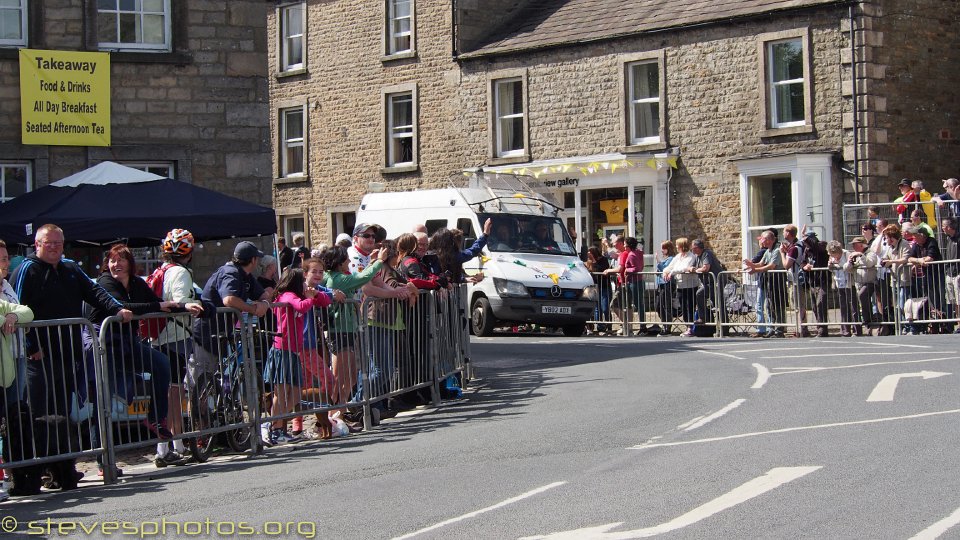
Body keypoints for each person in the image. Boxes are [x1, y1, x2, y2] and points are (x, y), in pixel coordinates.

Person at [11, 224, 133, 487]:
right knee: (39, 414)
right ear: (37, 244)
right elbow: (17, 308)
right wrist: (32, 346)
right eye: (48, 243)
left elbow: (95, 292)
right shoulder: (27, 270)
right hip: (39, 357)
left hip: (67, 351)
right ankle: (37, 470)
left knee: (62, 414)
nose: (54, 247)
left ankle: (63, 469)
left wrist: (118, 308)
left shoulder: (69, 268)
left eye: (58, 242)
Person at [90, 244, 199, 469]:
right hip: (104, 346)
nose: (116, 264)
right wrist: (157, 304)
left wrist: (187, 305)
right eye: (112, 260)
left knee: (160, 363)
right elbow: (122, 306)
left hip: (127, 344)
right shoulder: (104, 283)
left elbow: (160, 305)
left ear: (130, 264)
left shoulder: (137, 283)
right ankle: (104, 462)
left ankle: (154, 417)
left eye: (121, 260)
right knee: (102, 402)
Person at [191, 241, 272, 409]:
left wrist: (264, 303)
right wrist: (252, 308)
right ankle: (200, 427)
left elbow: (265, 293)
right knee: (202, 383)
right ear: (253, 260)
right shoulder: (230, 273)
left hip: (224, 331)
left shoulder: (246, 276)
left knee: (221, 376)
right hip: (208, 333)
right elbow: (229, 299)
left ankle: (226, 418)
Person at [261, 267, 333, 445]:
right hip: (282, 349)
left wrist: (315, 294)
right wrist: (309, 298)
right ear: (295, 282)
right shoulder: (287, 296)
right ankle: (275, 428)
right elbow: (301, 306)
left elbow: (324, 301)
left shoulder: (300, 296)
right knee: (281, 391)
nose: (304, 284)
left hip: (294, 350)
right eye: (302, 281)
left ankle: (276, 423)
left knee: (294, 393)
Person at [152, 228, 205, 467]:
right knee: (173, 392)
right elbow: (182, 302)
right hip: (175, 335)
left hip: (158, 335)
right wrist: (200, 304)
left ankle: (168, 445)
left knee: (166, 390)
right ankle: (172, 445)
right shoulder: (181, 273)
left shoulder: (159, 270)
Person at [322, 245, 390, 411]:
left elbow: (359, 277)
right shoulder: (337, 278)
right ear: (339, 262)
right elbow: (361, 278)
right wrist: (380, 261)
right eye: (346, 258)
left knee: (352, 376)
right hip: (339, 331)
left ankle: (341, 410)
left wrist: (373, 261)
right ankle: (333, 413)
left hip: (348, 330)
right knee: (339, 377)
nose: (349, 260)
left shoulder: (340, 276)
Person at [743, 230, 787, 338]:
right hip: (770, 280)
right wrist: (751, 265)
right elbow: (761, 263)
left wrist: (756, 270)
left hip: (777, 279)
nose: (763, 241)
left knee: (778, 305)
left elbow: (771, 266)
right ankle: (771, 328)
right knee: (769, 305)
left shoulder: (777, 250)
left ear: (770, 240)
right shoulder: (767, 251)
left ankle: (779, 329)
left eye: (765, 239)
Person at [605, 236, 645, 335]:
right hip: (629, 282)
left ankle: (628, 325)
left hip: (627, 282)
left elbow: (629, 268)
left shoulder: (628, 254)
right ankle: (629, 327)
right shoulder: (633, 253)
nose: (614, 244)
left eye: (615, 242)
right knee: (629, 306)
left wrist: (609, 270)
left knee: (615, 304)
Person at [878, 224, 911, 335]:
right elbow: (887, 257)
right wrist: (884, 261)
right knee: (897, 305)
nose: (886, 240)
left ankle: (907, 326)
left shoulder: (904, 243)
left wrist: (891, 262)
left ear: (892, 237)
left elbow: (905, 259)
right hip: (894, 280)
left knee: (903, 304)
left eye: (886, 237)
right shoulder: (890, 247)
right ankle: (901, 327)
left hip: (904, 279)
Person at [662, 238, 698, 337]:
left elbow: (684, 267)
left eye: (678, 245)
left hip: (690, 285)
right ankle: (688, 327)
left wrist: (672, 272)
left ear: (682, 246)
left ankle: (690, 328)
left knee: (689, 306)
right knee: (683, 307)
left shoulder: (691, 256)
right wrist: (665, 271)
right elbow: (670, 266)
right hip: (680, 285)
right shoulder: (678, 256)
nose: (676, 247)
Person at [798, 229, 829, 337]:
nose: (805, 244)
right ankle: (819, 327)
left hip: (822, 280)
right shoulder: (807, 250)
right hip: (812, 281)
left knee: (821, 304)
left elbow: (816, 247)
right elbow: (802, 263)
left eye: (807, 241)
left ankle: (823, 329)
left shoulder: (821, 246)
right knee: (815, 306)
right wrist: (805, 266)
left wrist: (804, 236)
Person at [845, 236, 877, 336]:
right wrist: (850, 262)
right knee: (859, 301)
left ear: (861, 245)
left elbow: (869, 263)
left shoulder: (871, 253)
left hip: (870, 282)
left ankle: (867, 319)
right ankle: (866, 323)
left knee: (863, 295)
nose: (853, 247)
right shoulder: (853, 255)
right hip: (858, 283)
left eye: (855, 245)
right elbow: (846, 269)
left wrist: (861, 255)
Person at [691, 239, 722, 335]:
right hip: (708, 283)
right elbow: (690, 267)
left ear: (699, 248)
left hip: (716, 282)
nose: (693, 250)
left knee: (718, 304)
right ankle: (704, 319)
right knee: (716, 303)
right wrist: (692, 269)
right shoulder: (697, 256)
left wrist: (695, 270)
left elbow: (706, 268)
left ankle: (722, 328)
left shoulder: (706, 253)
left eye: (694, 248)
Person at [826, 240, 856, 336]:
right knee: (843, 307)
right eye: (832, 254)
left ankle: (856, 330)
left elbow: (850, 267)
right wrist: (830, 266)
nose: (835, 256)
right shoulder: (832, 256)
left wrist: (839, 265)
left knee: (853, 307)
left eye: (836, 254)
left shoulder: (847, 254)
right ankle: (845, 330)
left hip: (849, 283)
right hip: (839, 283)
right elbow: (831, 269)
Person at [652, 240, 677, 337]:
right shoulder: (666, 259)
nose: (662, 250)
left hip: (667, 284)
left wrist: (658, 261)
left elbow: (665, 269)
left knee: (666, 305)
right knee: (658, 305)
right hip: (661, 284)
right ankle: (664, 323)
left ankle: (667, 327)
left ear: (668, 249)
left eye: (663, 248)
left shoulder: (671, 259)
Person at [585, 246, 612, 335]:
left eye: (590, 253)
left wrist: (594, 261)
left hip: (604, 286)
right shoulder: (589, 262)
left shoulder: (603, 260)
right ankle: (600, 326)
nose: (589, 255)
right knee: (597, 309)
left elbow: (601, 270)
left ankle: (609, 326)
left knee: (605, 308)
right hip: (595, 287)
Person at [940, 217, 960, 330]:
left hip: (958, 274)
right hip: (950, 273)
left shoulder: (958, 238)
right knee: (954, 301)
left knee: (959, 300)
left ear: (948, 227)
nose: (942, 228)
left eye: (943, 226)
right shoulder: (948, 239)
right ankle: (958, 323)